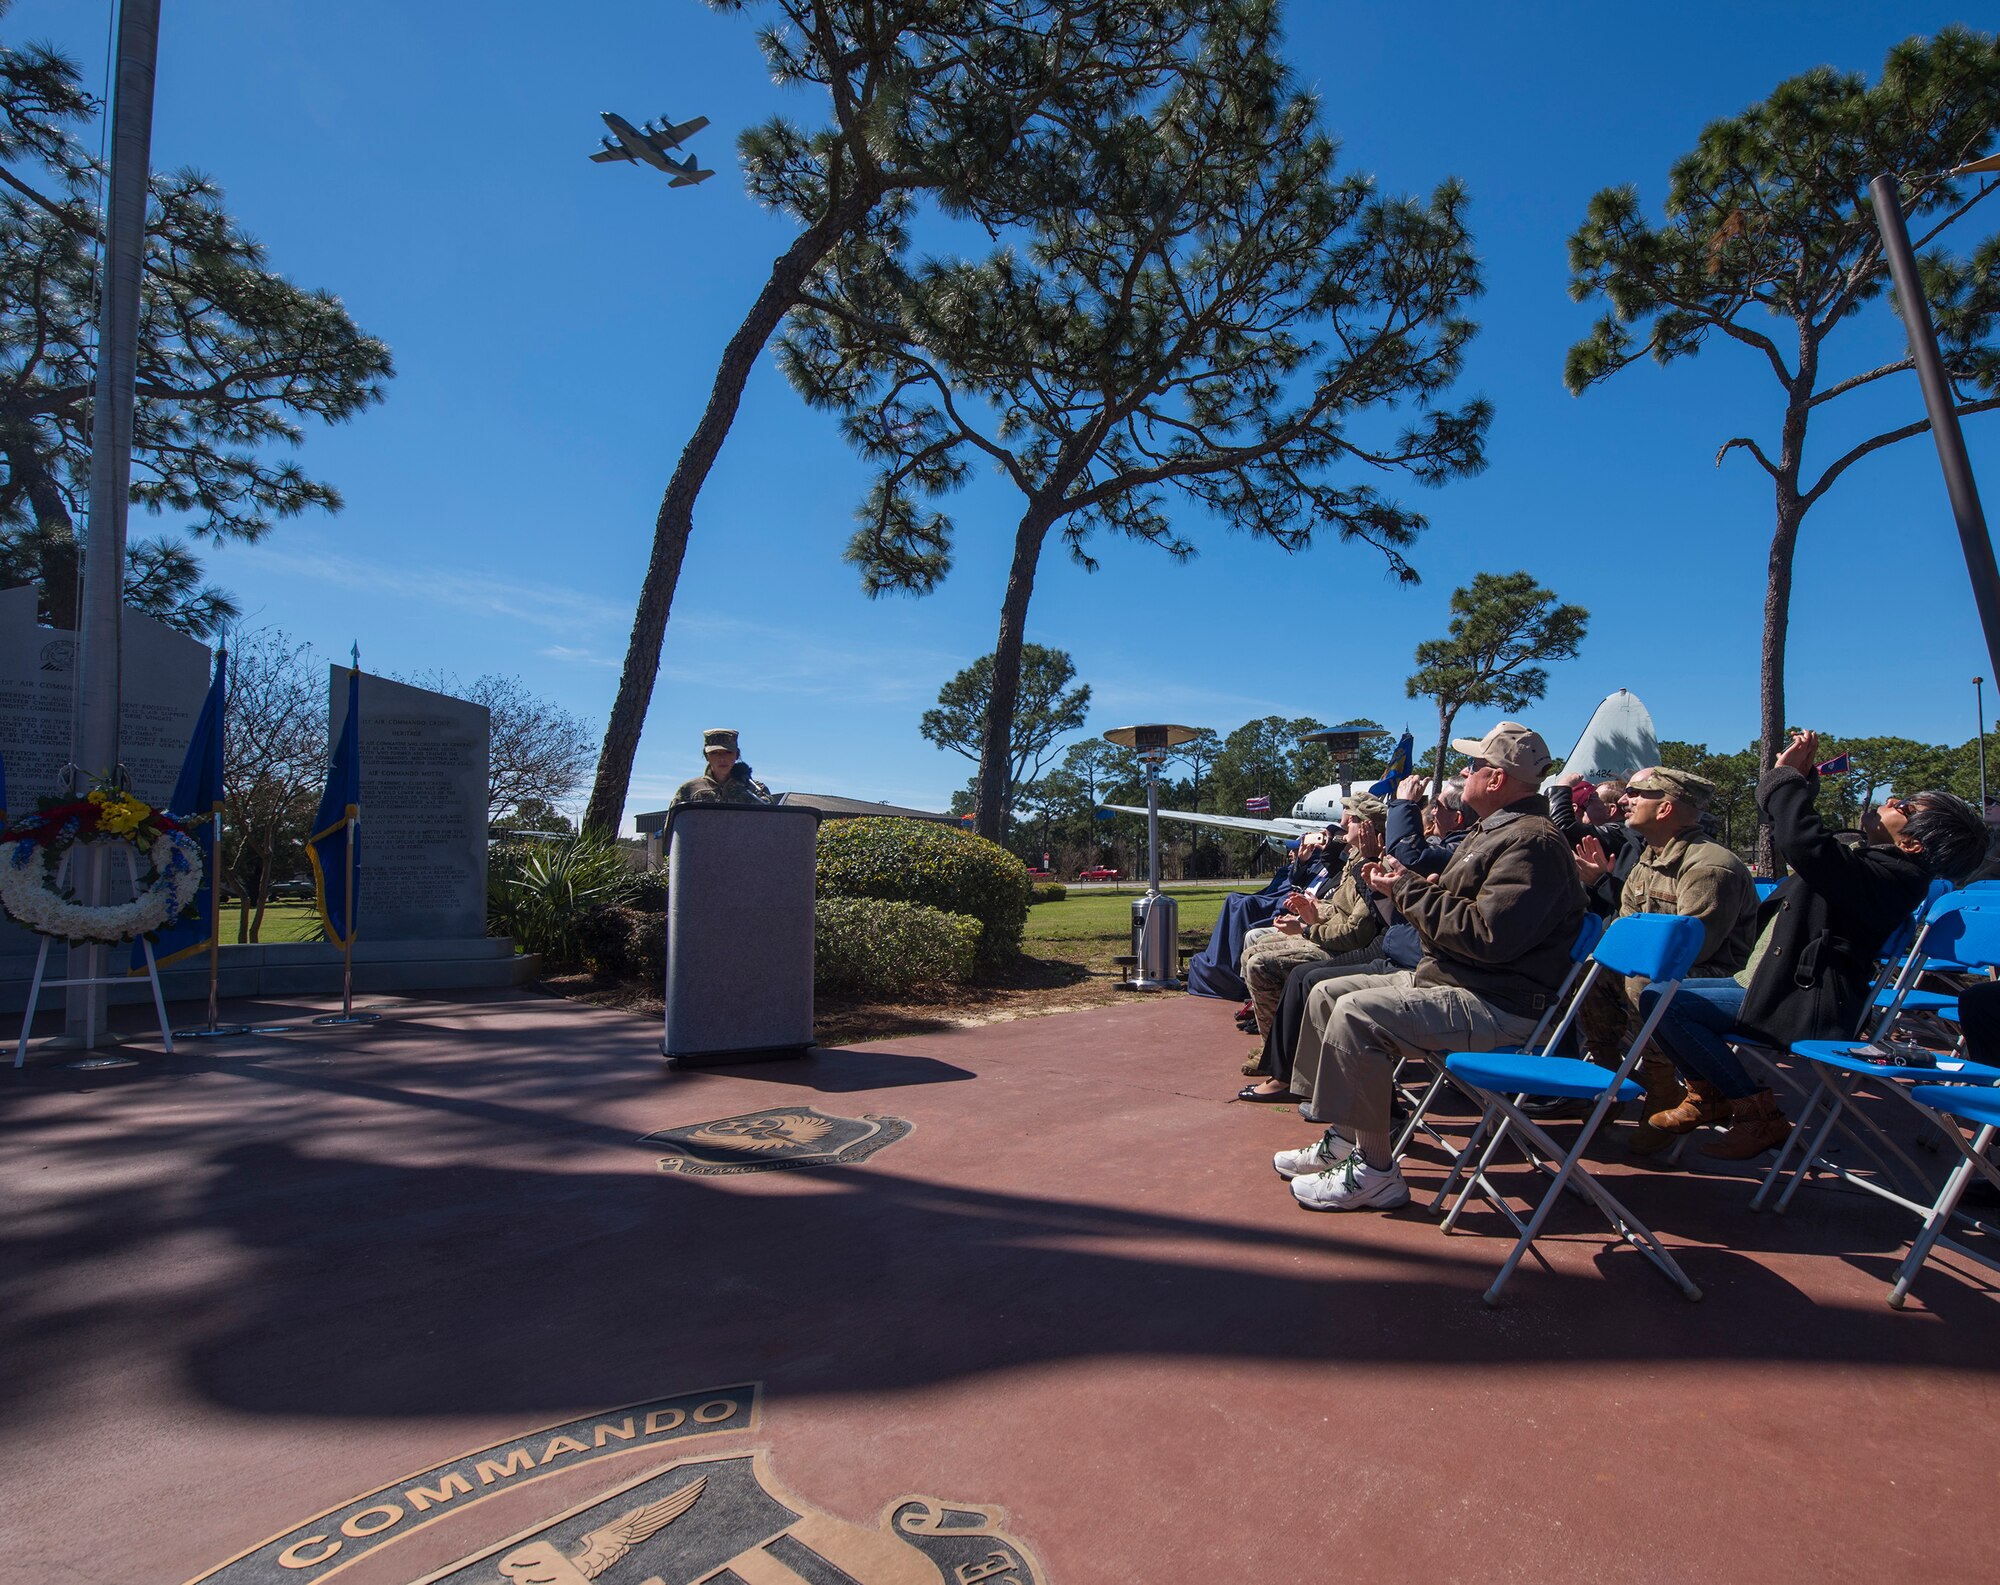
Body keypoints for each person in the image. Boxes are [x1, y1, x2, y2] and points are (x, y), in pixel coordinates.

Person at [1276, 721, 1588, 1210]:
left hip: (1497, 1002)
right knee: (1325, 993)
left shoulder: (1532, 843)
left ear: (1497, 779)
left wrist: (1407, 887)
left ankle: (1377, 1172)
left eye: (1473, 765)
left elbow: (1487, 937)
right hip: (1462, 981)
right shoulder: (1499, 832)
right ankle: (1345, 1136)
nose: (1464, 773)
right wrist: (1418, 885)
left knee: (1358, 1014)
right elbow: (1472, 919)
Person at [1640, 730, 1990, 1159]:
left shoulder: (1895, 879)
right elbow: (1802, 835)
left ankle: (1756, 1112)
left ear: (1913, 843)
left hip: (1805, 1003)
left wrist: (1786, 778)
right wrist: (1798, 782)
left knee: (1668, 1003)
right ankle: (1708, 1093)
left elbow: (1805, 845)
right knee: (1655, 996)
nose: (1891, 799)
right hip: (1766, 983)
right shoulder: (1869, 862)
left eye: (1904, 806)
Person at [1572, 766, 1759, 1152]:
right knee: (1592, 969)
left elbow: (1696, 949)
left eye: (1638, 793)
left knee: (1647, 982)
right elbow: (1623, 931)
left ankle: (1662, 1090)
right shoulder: (1649, 860)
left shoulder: (1709, 866)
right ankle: (1608, 1076)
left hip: (1717, 978)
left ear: (1665, 808)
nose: (1625, 799)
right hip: (1663, 969)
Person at [1237, 797, 1390, 1048]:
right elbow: (1341, 909)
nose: (1346, 822)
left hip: (1344, 950)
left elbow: (1356, 933)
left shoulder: (1372, 867)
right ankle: (1278, 1045)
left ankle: (1278, 1052)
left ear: (1367, 828)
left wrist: (1309, 928)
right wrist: (1313, 909)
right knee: (1254, 949)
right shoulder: (1355, 859)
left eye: (1353, 819)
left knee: (1259, 963)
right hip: (1329, 936)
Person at [1186, 827, 1341, 1002]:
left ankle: (1246, 989)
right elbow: (1296, 880)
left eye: (1325, 839)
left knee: (1248, 919)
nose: (1291, 852)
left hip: (1307, 919)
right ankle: (1245, 987)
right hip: (1297, 910)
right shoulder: (1315, 864)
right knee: (1243, 915)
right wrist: (1302, 859)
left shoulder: (1336, 868)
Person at [669, 728, 772, 808]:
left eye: (728, 752)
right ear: (706, 756)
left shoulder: (756, 791)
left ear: (737, 755)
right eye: (714, 753)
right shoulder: (689, 790)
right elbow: (672, 829)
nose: (722, 758)